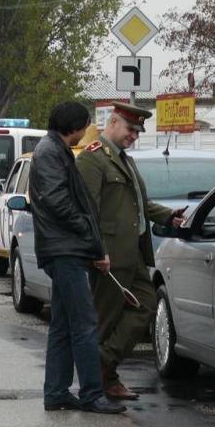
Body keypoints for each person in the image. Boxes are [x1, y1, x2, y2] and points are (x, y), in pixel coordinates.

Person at [76, 102, 186, 401]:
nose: (134, 136)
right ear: (112, 122)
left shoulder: (125, 160)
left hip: (134, 253)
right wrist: (97, 251)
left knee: (146, 306)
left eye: (137, 132)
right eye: (130, 129)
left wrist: (167, 215)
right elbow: (87, 212)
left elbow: (139, 203)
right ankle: (97, 382)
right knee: (105, 319)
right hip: (108, 256)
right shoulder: (93, 158)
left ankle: (103, 365)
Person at [29, 101, 126, 415]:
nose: (86, 131)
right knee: (85, 323)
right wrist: (87, 231)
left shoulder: (54, 150)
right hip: (64, 249)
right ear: (73, 126)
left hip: (63, 248)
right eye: (84, 125)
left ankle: (56, 392)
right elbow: (58, 201)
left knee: (63, 325)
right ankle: (91, 393)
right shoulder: (49, 153)